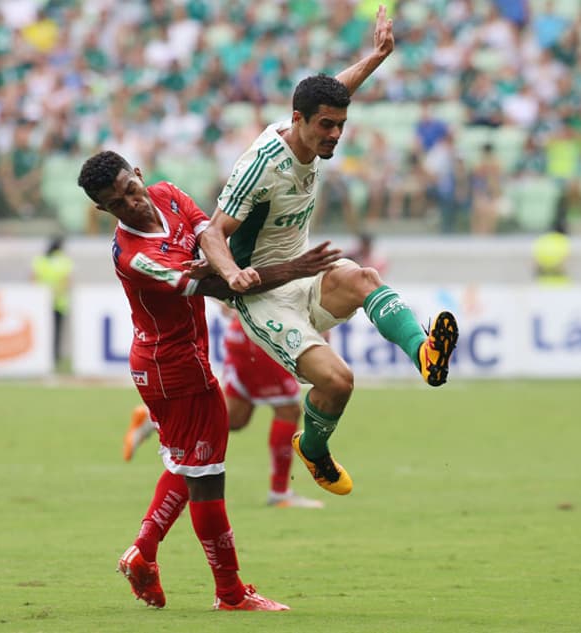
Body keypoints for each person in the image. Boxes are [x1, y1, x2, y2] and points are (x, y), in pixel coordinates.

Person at [198, 5, 459, 499]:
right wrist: (233, 276)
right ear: (298, 120)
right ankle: (313, 450)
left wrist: (377, 56)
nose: (335, 134)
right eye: (326, 125)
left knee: (364, 278)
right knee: (338, 381)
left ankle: (425, 355)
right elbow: (213, 232)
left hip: (305, 270)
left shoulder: (309, 124)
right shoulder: (260, 167)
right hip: (263, 295)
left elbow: (335, 89)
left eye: (340, 124)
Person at [77, 150, 344, 611]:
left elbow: (212, 237)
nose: (131, 204)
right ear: (103, 210)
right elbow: (220, 286)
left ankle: (143, 552)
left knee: (190, 464)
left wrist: (223, 264)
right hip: (172, 368)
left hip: (182, 357)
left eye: (131, 190)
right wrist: (293, 269)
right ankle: (230, 593)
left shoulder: (168, 194)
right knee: (206, 477)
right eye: (116, 204)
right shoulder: (137, 256)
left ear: (139, 175)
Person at [124, 307, 324, 510]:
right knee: (288, 409)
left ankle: (154, 419)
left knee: (235, 418)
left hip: (248, 334)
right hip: (263, 337)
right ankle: (279, 493)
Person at [31, 236, 73, 368]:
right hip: (59, 302)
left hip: (42, 303)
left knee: (42, 332)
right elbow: (67, 281)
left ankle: (44, 357)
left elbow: (33, 279)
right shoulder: (63, 260)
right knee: (57, 332)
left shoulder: (40, 260)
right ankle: (55, 357)